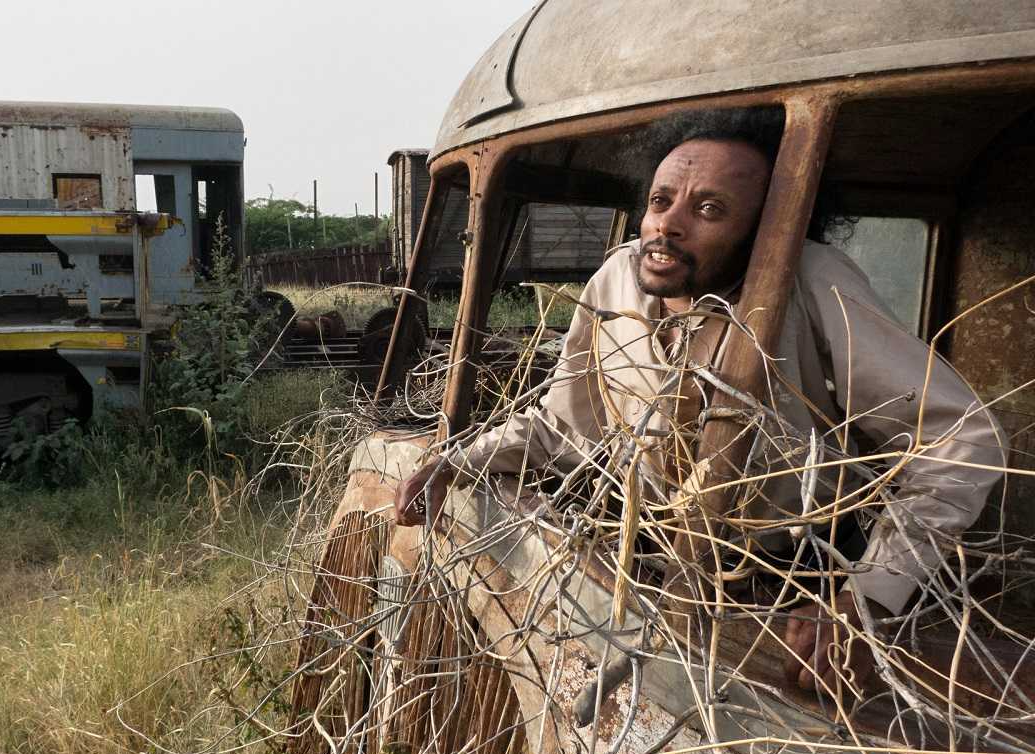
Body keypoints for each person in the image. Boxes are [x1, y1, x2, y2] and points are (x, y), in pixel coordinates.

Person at [392, 110, 1008, 697]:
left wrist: (867, 595)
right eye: (661, 202)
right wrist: (458, 461)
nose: (668, 225)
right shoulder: (615, 282)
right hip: (657, 572)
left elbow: (963, 437)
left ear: (767, 227)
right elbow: (564, 425)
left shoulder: (812, 280)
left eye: (709, 209)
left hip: (797, 587)